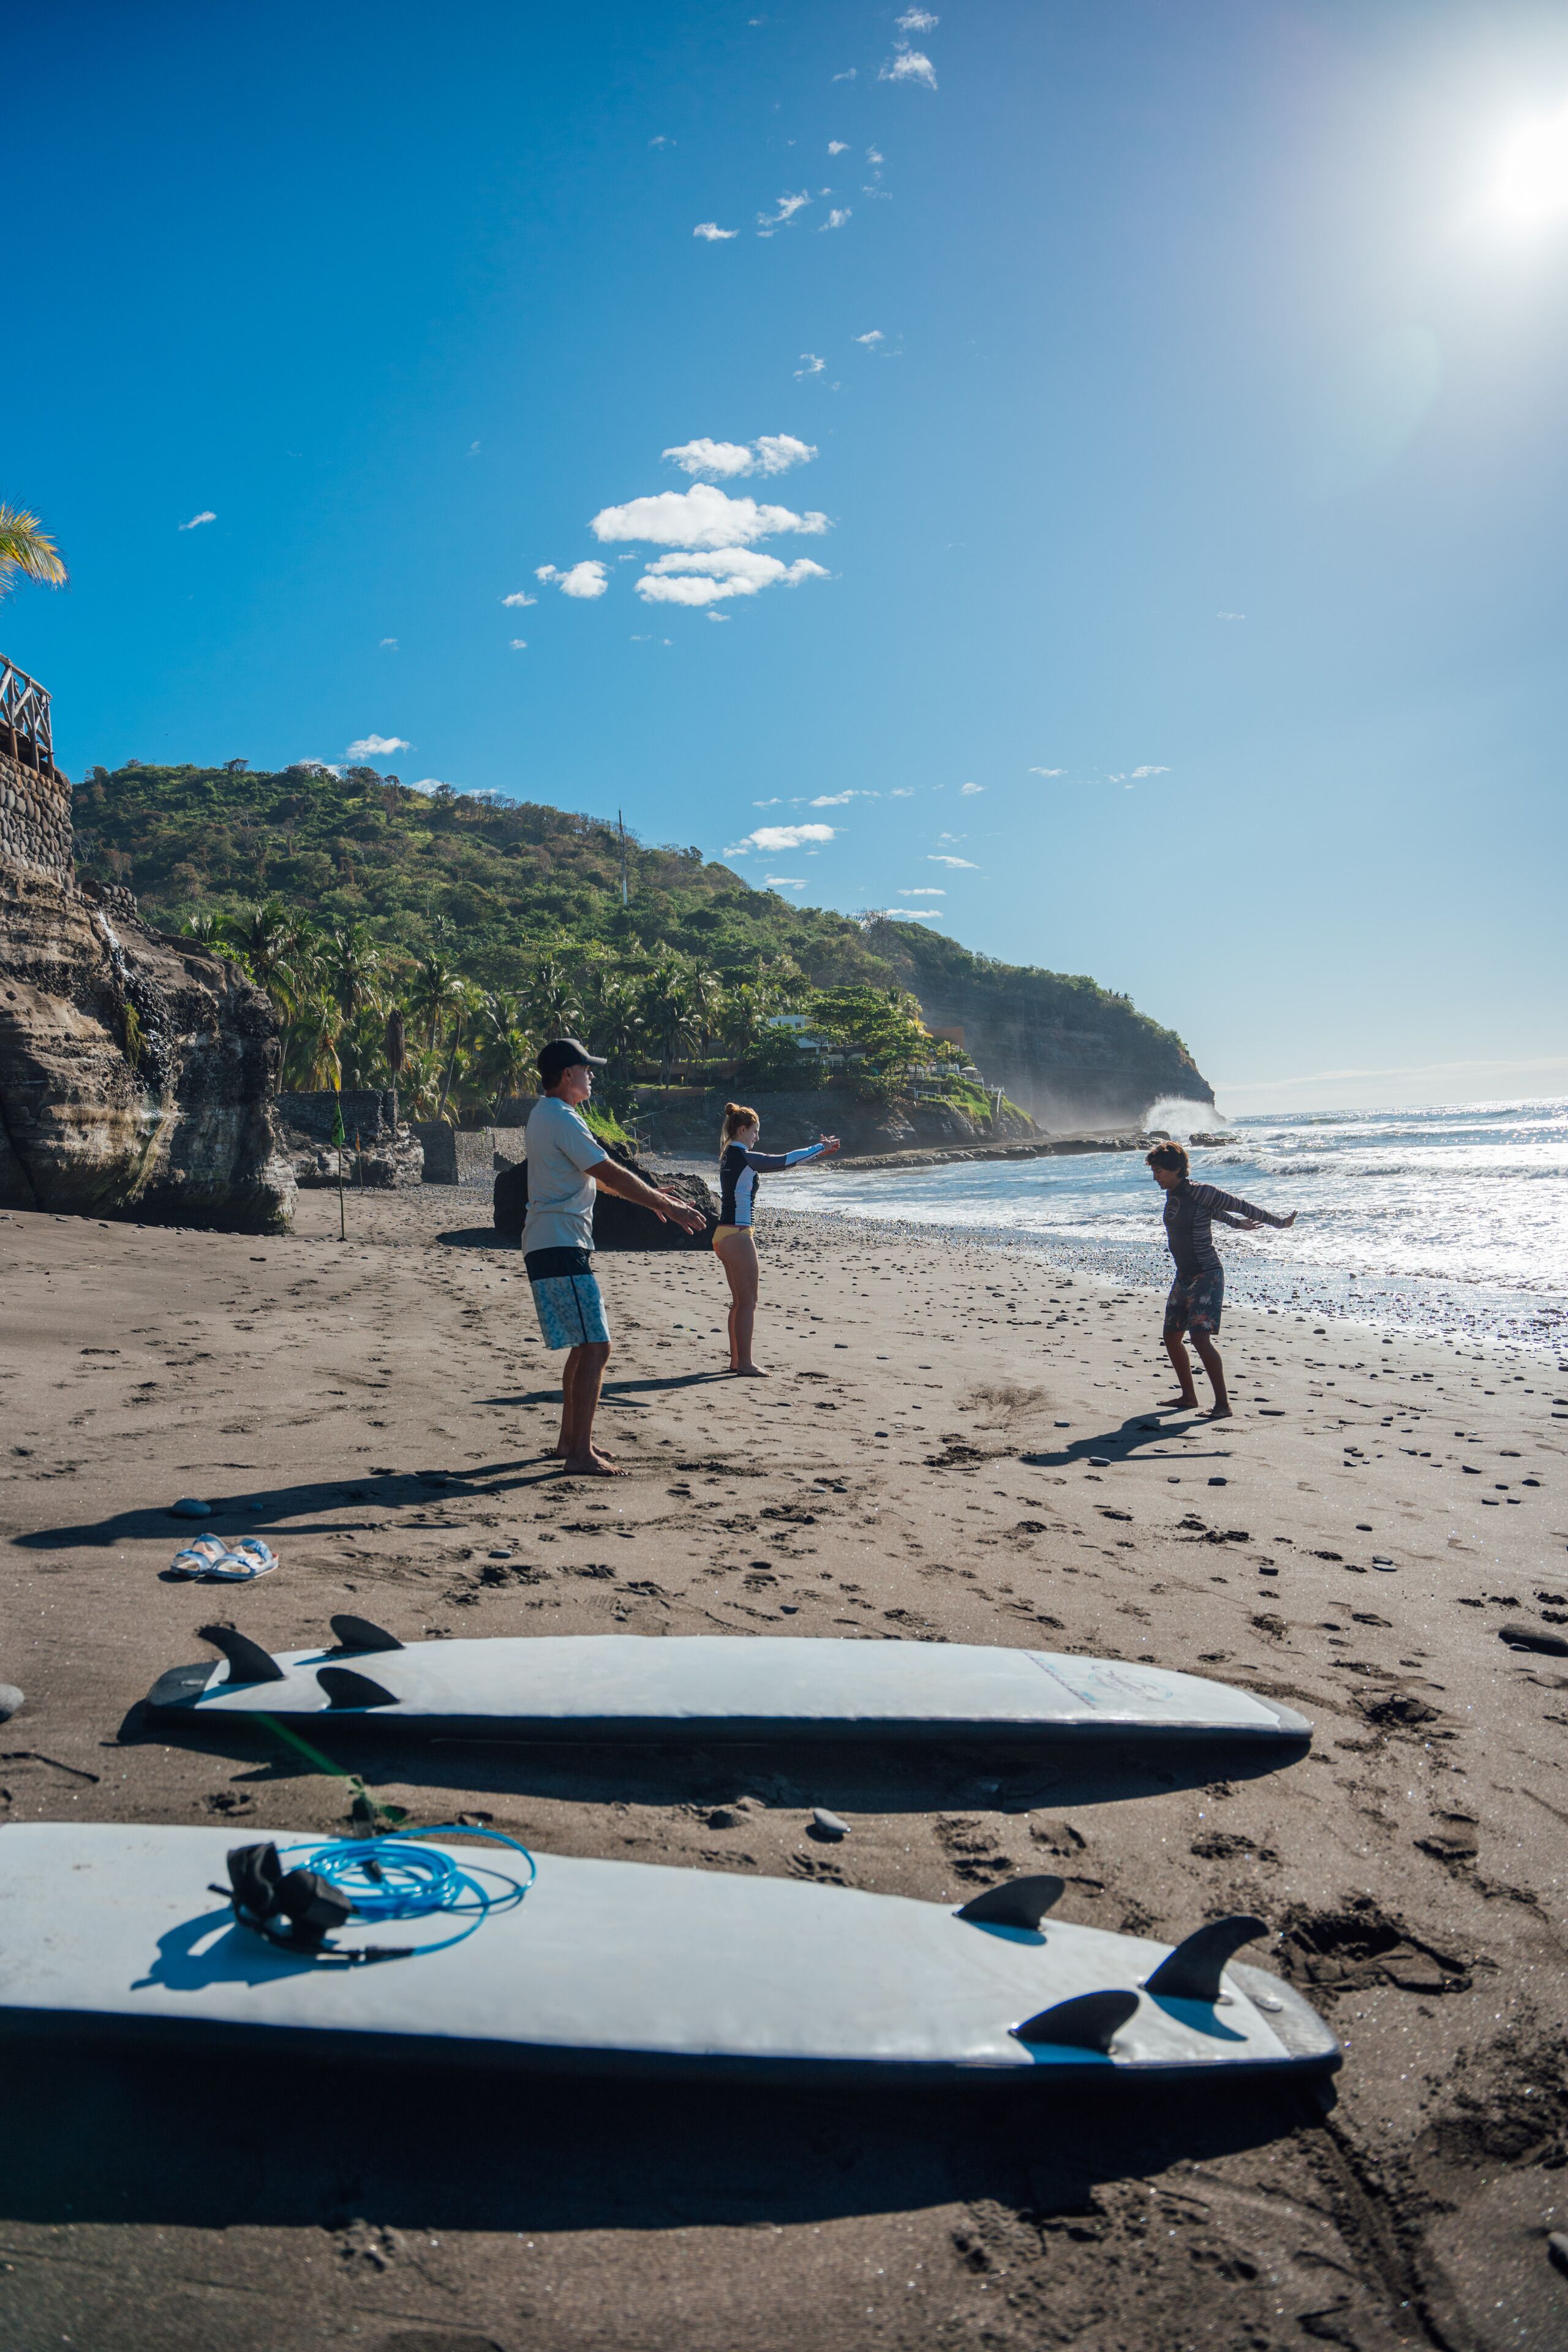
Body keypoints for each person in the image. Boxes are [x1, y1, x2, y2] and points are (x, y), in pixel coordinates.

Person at [523, 1037, 706, 1474]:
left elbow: (597, 1177)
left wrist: (650, 1196)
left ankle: (571, 1443)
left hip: (551, 1242)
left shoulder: (545, 1115)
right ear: (568, 1074)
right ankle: (579, 1454)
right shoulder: (562, 1117)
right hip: (560, 1243)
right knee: (597, 1346)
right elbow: (606, 1170)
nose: (592, 1075)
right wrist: (667, 1206)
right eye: (586, 1068)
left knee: (584, 1346)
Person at [1145, 1140, 1297, 1420]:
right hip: (1184, 1275)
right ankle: (1189, 1397)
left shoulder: (1202, 1191)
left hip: (1207, 1274)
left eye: (1159, 1172)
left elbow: (1240, 1205)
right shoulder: (1175, 1194)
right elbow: (1209, 1213)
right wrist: (1236, 1225)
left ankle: (1223, 1406)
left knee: (1200, 1339)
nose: (1156, 1177)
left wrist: (1278, 1223)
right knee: (1171, 1336)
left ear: (1177, 1170)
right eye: (1154, 1172)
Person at [714, 1101, 840, 1374]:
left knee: (739, 1302)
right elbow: (784, 1161)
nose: (757, 1138)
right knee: (748, 1303)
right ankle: (744, 1364)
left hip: (723, 1235)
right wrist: (820, 1148)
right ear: (743, 1130)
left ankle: (737, 1361)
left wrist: (818, 1152)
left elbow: (785, 1162)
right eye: (755, 1132)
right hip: (738, 1235)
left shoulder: (729, 1157)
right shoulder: (743, 1156)